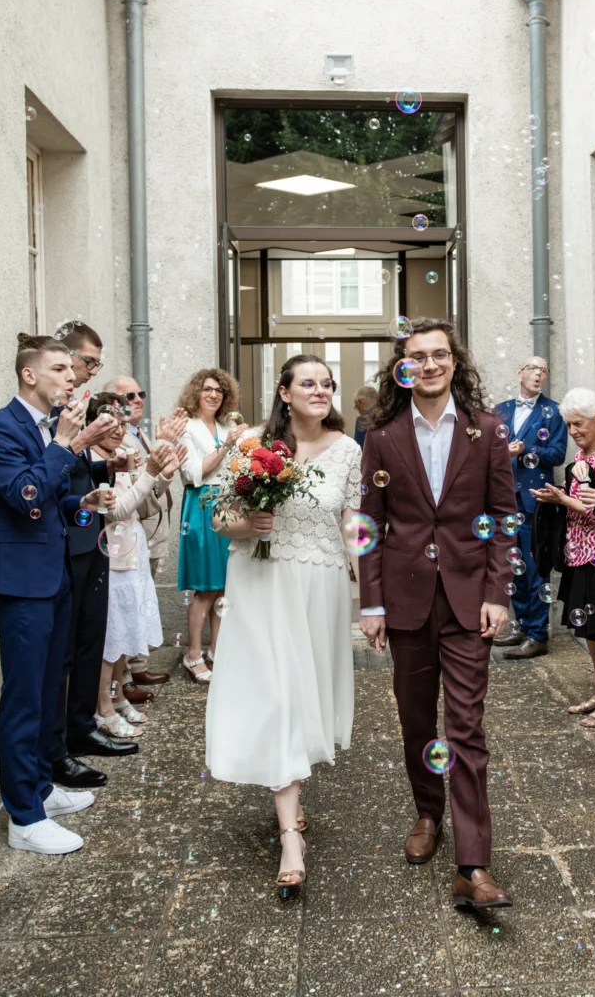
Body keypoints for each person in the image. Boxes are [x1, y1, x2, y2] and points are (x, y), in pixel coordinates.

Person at [358, 318, 518, 910]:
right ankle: (428, 811)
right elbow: (369, 524)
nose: (428, 365)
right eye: (416, 357)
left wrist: (497, 593)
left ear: (455, 362)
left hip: (468, 600)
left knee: (467, 728)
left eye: (438, 355)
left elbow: (503, 517)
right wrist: (370, 601)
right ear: (402, 367)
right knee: (416, 722)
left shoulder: (487, 431)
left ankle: (474, 865)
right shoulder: (381, 434)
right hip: (404, 600)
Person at [206, 354, 363, 898]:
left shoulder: (348, 451)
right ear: (285, 391)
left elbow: (354, 527)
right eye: (308, 383)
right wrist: (246, 522)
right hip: (261, 582)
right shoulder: (252, 444)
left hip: (319, 587)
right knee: (276, 696)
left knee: (304, 696)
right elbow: (219, 518)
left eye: (326, 384)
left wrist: (374, 603)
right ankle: (288, 836)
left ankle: (291, 805)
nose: (319, 391)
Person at [0, 333, 116, 856]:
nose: (72, 377)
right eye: (60, 369)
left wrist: (86, 495)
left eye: (71, 370)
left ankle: (39, 787)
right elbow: (25, 494)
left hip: (52, 576)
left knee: (47, 689)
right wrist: (70, 446)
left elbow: (52, 497)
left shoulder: (44, 428)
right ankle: (23, 816)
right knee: (22, 697)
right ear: (28, 375)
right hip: (20, 584)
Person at [48, 322, 136, 786]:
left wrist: (106, 464)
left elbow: (78, 468)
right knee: (64, 653)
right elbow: (53, 470)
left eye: (85, 365)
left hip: (90, 538)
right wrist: (83, 447)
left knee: (88, 643)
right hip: (66, 541)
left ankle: (83, 727)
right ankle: (63, 740)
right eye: (86, 362)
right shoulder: (58, 413)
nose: (84, 373)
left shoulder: (74, 407)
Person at [530, 387, 595, 727]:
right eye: (569, 426)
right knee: (587, 629)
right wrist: (552, 500)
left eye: (579, 424)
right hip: (578, 554)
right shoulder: (578, 462)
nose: (573, 432)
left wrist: (567, 502)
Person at [89, 393, 183, 736]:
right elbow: (115, 510)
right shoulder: (94, 460)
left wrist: (163, 476)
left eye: (121, 423)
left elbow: (142, 502)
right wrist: (150, 474)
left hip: (131, 552)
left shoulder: (118, 456)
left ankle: (117, 698)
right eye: (109, 422)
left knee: (127, 634)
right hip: (110, 559)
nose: (117, 429)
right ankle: (103, 708)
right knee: (111, 639)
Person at [493, 354, 567, 659]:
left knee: (535, 568)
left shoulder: (553, 412)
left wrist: (528, 450)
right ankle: (522, 626)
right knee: (514, 567)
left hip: (534, 502)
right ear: (520, 373)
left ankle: (538, 635)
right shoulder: (502, 410)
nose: (539, 375)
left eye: (544, 371)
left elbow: (558, 453)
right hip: (503, 499)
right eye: (534, 369)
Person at [176, 367, 245, 683]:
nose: (213, 394)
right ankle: (193, 654)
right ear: (196, 393)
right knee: (204, 587)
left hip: (227, 505)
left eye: (219, 390)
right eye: (207, 389)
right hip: (201, 506)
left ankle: (218, 650)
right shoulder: (186, 429)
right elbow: (193, 474)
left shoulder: (222, 426)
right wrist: (225, 447)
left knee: (223, 585)